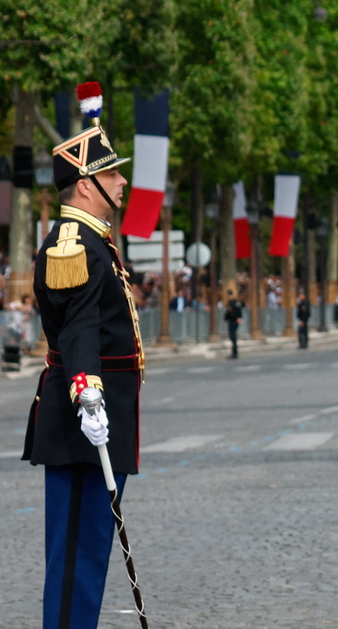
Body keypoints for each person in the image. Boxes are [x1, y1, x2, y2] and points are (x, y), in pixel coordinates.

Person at [22, 85, 147, 629]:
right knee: (76, 555)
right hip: (83, 422)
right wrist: (88, 392)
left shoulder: (95, 242)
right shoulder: (73, 242)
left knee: (89, 551)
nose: (122, 180)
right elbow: (78, 328)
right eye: (113, 173)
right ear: (86, 185)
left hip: (96, 420)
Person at [224, 290, 243, 359]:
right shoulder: (229, 303)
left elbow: (238, 310)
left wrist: (239, 317)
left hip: (234, 321)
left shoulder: (235, 302)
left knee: (233, 336)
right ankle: (234, 352)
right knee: (232, 336)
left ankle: (235, 352)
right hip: (230, 320)